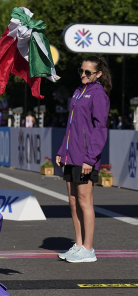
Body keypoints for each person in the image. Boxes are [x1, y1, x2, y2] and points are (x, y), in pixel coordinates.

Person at [56, 56, 112, 263]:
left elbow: (100, 128)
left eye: (88, 72)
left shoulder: (98, 94)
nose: (83, 75)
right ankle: (78, 244)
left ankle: (88, 248)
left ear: (98, 74)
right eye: (81, 71)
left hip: (86, 157)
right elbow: (71, 125)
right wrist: (63, 150)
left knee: (84, 200)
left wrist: (91, 158)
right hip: (72, 154)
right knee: (72, 202)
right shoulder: (78, 92)